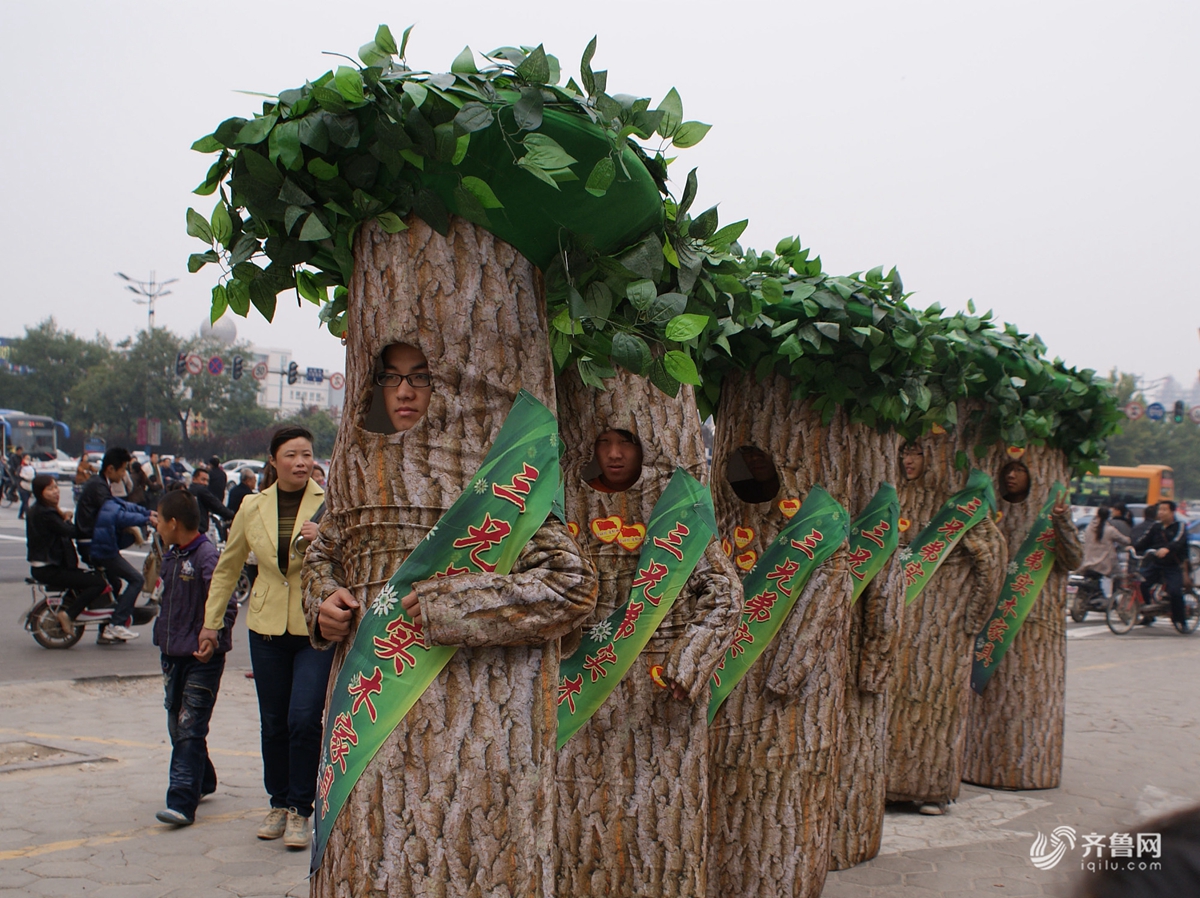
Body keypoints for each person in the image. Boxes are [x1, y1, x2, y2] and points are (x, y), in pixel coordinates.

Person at [199, 426, 327, 849]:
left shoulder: (330, 503)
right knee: (273, 722)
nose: (300, 462)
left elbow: (350, 556)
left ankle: (301, 809)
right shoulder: (253, 506)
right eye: (291, 455)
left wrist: (325, 537)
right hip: (266, 627)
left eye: (306, 454)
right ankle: (278, 803)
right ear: (274, 460)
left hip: (315, 628)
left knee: (304, 719)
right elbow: (228, 566)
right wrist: (211, 623)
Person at [152, 489, 237, 827]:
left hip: (203, 657)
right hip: (172, 654)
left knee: (190, 724)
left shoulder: (205, 556)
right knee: (177, 722)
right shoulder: (172, 555)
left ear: (173, 523)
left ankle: (182, 802)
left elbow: (225, 601)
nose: (156, 525)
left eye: (159, 519)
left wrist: (213, 634)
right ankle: (204, 779)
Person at [25, 474, 112, 635]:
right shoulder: (46, 514)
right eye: (50, 489)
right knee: (98, 583)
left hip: (46, 567)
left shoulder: (40, 510)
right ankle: (68, 614)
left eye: (56, 487)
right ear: (39, 492)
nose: (55, 491)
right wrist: (71, 520)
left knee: (85, 580)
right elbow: (72, 532)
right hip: (49, 568)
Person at [90, 483, 157, 643]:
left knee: (116, 585)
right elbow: (124, 517)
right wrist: (147, 518)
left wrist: (148, 513)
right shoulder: (111, 507)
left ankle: (107, 629)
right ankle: (116, 624)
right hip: (106, 554)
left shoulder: (114, 503)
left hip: (105, 552)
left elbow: (130, 508)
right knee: (137, 580)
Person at [1134, 500, 1189, 629]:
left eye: (1164, 510)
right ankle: (1148, 615)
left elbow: (1178, 541)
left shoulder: (1179, 526)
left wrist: (1168, 549)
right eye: (1160, 510)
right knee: (1141, 583)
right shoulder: (1156, 527)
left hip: (1174, 565)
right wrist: (1131, 546)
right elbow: (1144, 541)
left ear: (1172, 512)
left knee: (1175, 592)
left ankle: (1181, 621)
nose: (1161, 512)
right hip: (1156, 564)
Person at [1079, 506, 1131, 597]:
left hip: (1087, 562)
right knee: (1117, 575)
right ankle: (1111, 598)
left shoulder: (1088, 528)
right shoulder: (1110, 530)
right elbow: (1125, 541)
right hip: (1103, 564)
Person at [188, 467, 235, 537]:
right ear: (194, 479)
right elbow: (216, 506)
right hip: (199, 530)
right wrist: (233, 515)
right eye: (203, 480)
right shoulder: (201, 491)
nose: (205, 483)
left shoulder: (187, 492)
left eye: (207, 481)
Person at [17, 454, 35, 519]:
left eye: (29, 458)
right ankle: (28, 515)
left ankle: (20, 514)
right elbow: (19, 476)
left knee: (26, 501)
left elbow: (34, 475)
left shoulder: (31, 468)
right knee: (25, 501)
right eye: (26, 458)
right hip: (22, 486)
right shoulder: (21, 468)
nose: (27, 460)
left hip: (29, 486)